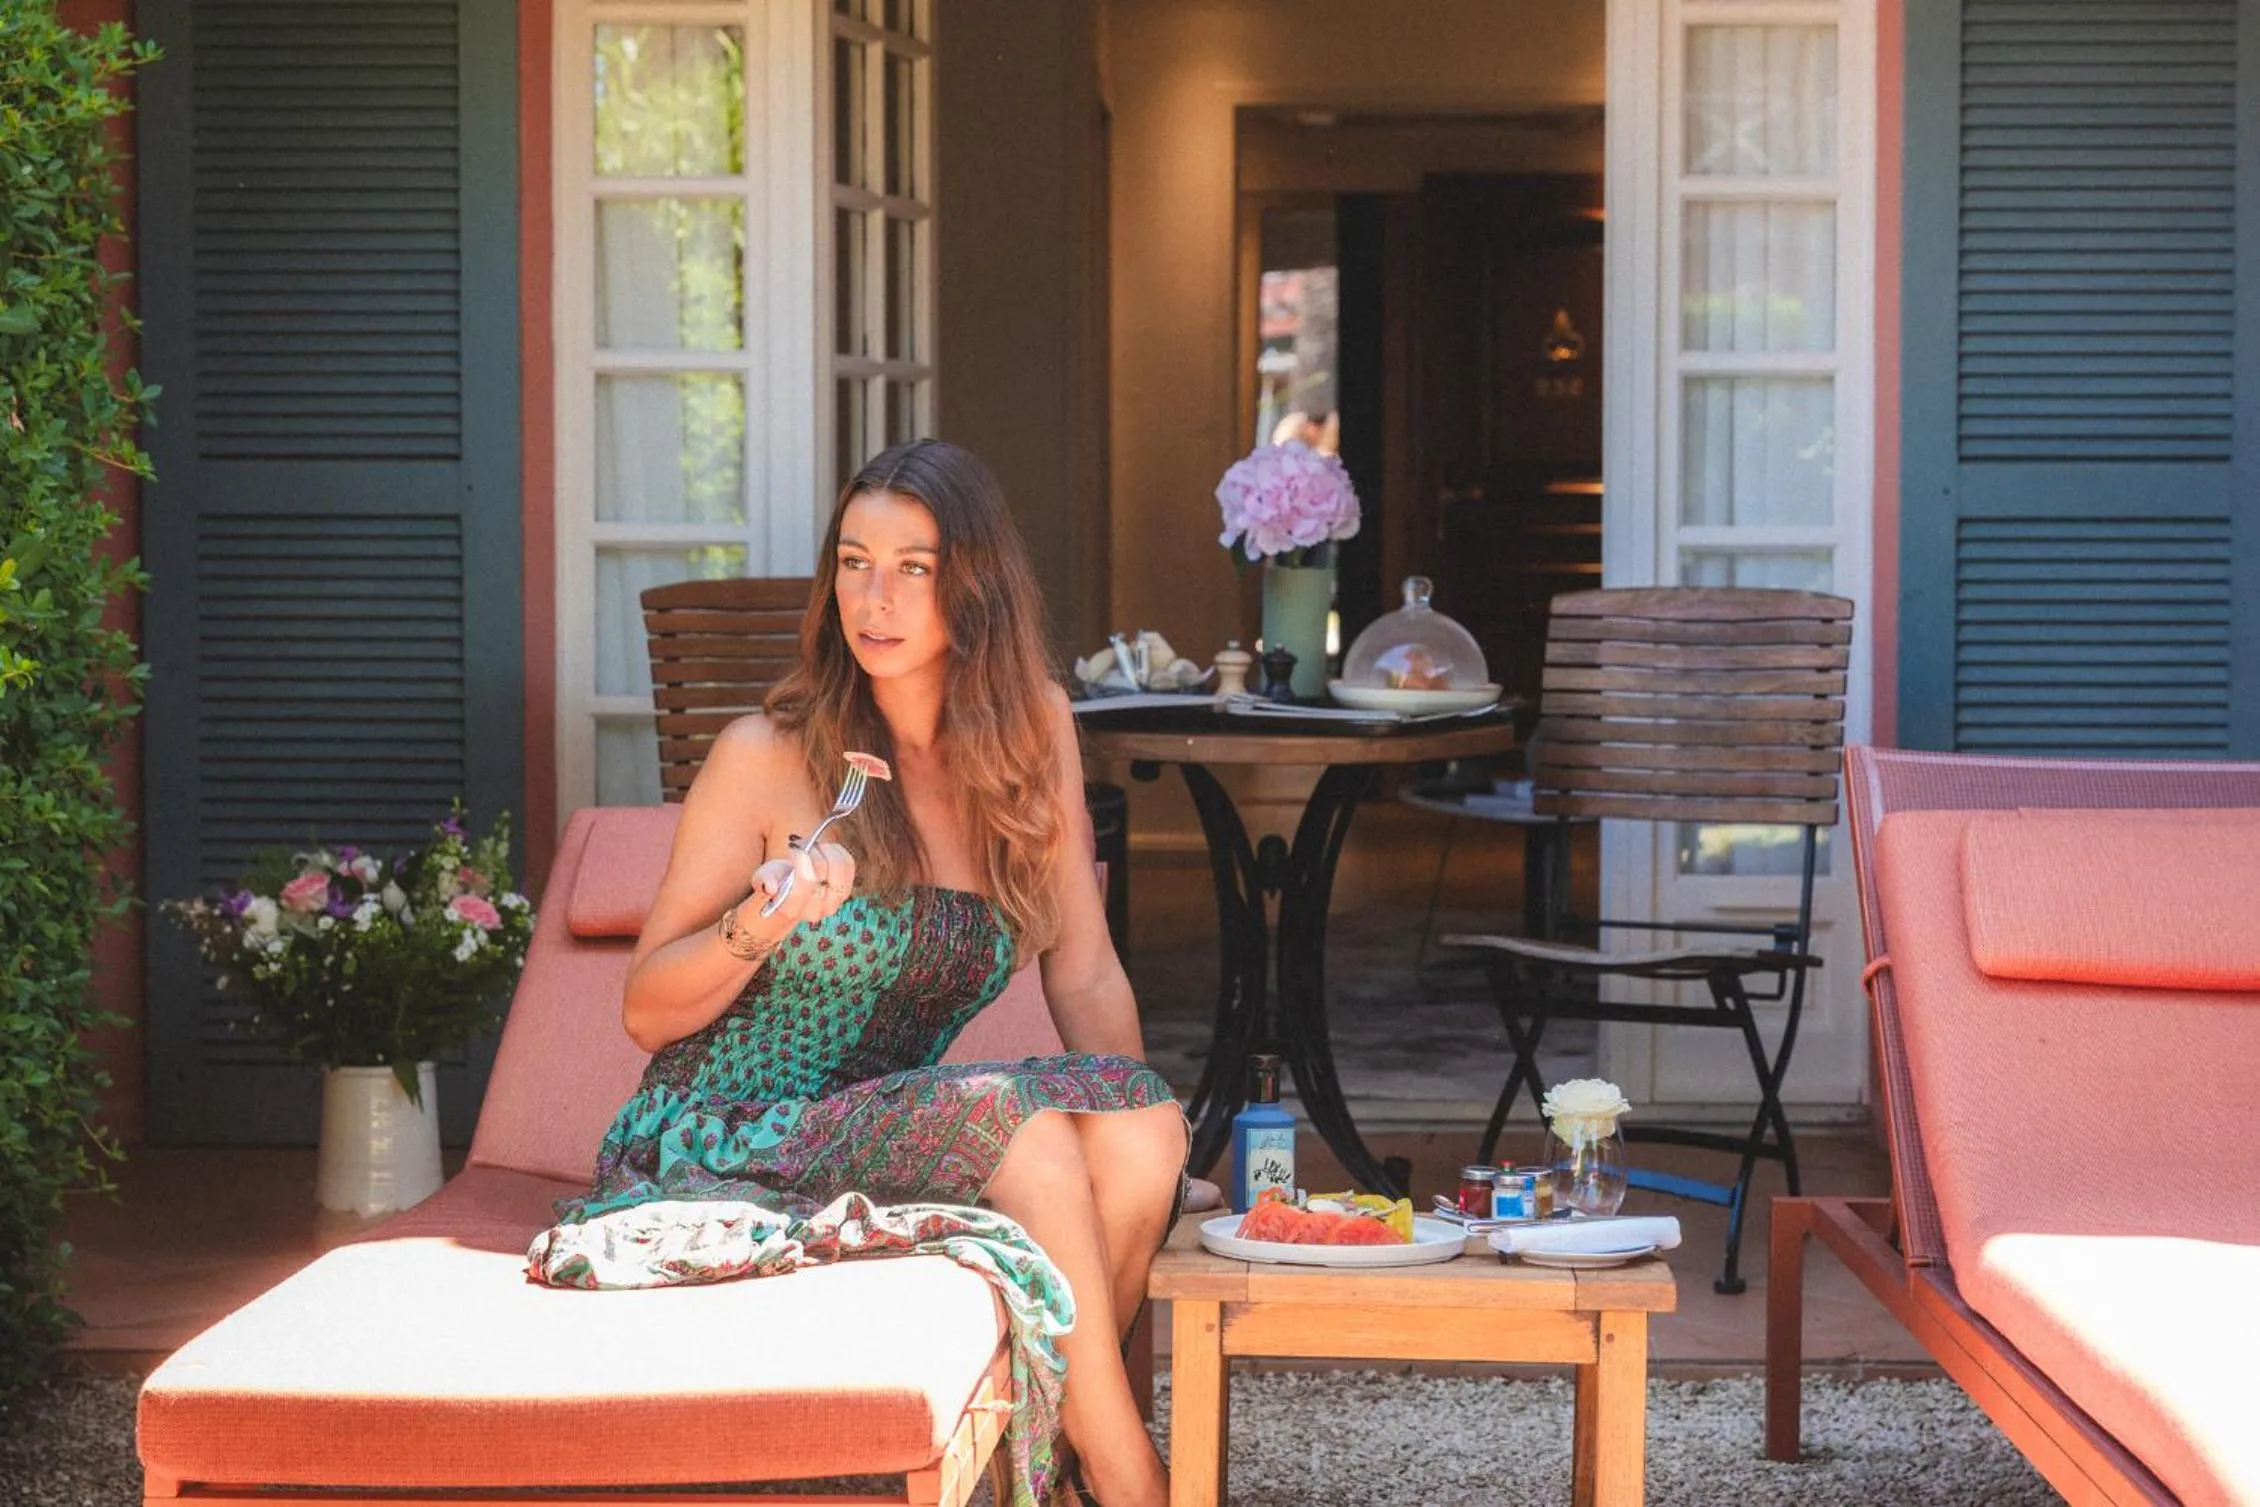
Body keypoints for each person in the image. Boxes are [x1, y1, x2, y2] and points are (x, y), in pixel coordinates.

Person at [554, 439, 1188, 1507]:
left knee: (1146, 1124)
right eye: (852, 561)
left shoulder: (1032, 733)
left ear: (973, 587)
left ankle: (1057, 1452)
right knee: (1020, 1126)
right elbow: (645, 1008)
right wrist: (762, 918)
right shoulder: (768, 752)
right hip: (721, 1126)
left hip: (875, 1119)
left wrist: (1135, 1128)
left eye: (913, 567)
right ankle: (1125, 1476)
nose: (873, 596)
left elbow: (1083, 970)